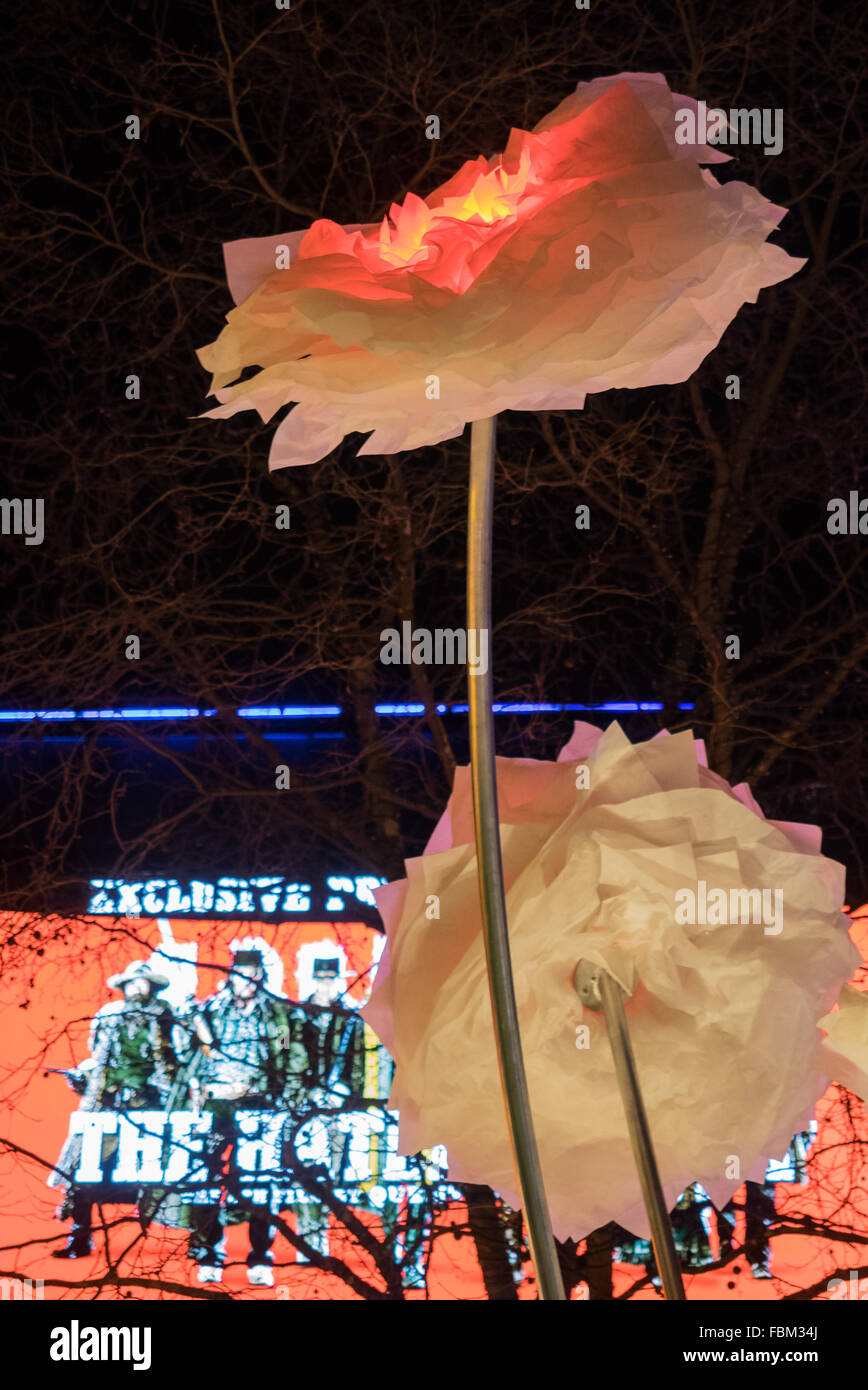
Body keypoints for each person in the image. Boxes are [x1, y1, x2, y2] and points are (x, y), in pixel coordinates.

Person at [179, 945, 297, 1287]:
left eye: (252, 974)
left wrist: (283, 1091)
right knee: (206, 1179)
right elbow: (190, 1050)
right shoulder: (212, 1010)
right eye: (239, 973)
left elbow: (288, 1053)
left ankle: (260, 1257)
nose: (245, 980)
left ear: (260, 977)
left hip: (257, 1103)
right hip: (216, 1105)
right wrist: (187, 1018)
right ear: (230, 975)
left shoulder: (277, 1014)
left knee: (260, 1182)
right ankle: (210, 1254)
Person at [49, 960, 181, 1259]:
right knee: (83, 1170)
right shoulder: (108, 1017)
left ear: (152, 988)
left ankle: (198, 1248)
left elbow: (177, 1063)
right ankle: (80, 1239)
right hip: (109, 1107)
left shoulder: (166, 1018)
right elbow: (97, 1059)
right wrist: (82, 1076)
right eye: (131, 983)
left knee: (166, 1174)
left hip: (152, 1109)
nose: (136, 988)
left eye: (142, 983)